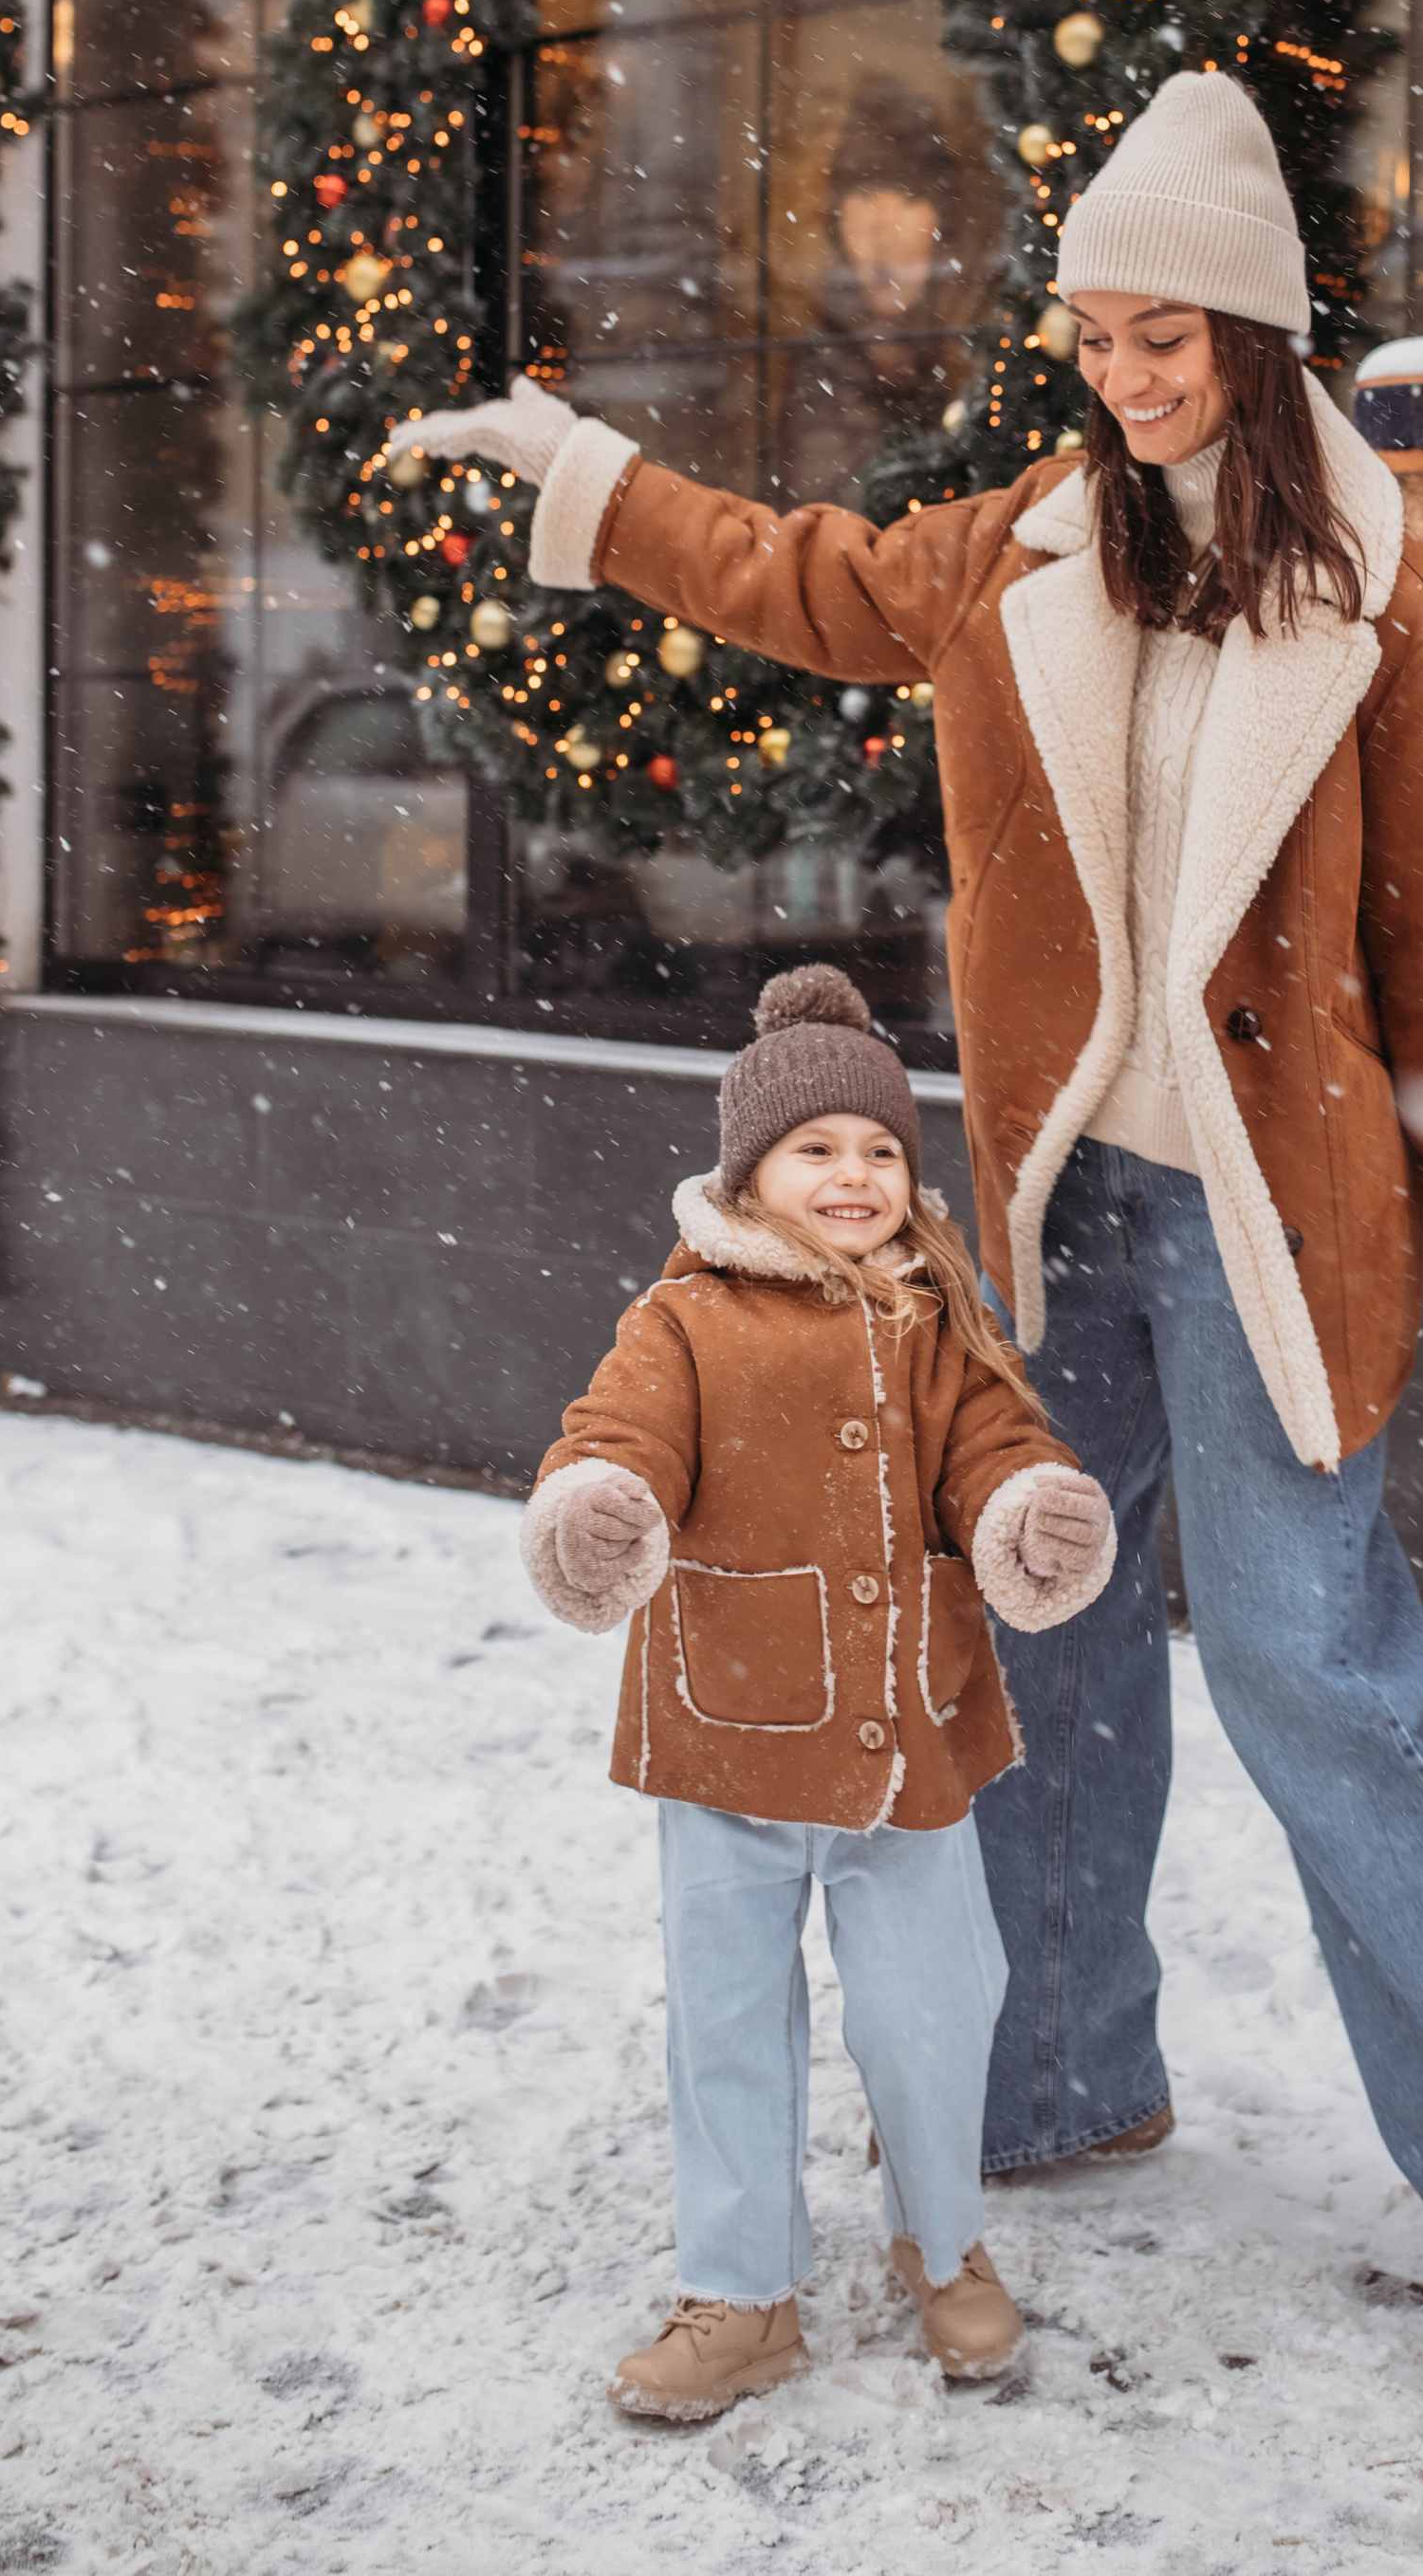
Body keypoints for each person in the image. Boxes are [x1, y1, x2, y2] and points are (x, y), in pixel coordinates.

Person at [403, 69, 1423, 2375]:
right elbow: (799, 579)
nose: (1123, 367)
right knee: (1043, 1627)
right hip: (1056, 1206)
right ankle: (1061, 2078)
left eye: (1161, 326)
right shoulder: (1026, 551)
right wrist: (578, 479)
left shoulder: (1385, 598)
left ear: (1254, 327)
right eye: (1091, 329)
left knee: (1316, 1676)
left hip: (1281, 1232)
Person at [523, 962, 1117, 2422]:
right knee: (726, 2018)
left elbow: (995, 1442)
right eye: (816, 1150)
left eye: (879, 1151)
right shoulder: (685, 1320)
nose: (852, 1175)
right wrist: (601, 1507)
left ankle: (942, 2235)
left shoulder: (943, 1317)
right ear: (752, 1172)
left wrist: (1026, 1505)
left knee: (932, 2005)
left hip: (911, 1736)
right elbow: (619, 1437)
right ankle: (742, 2292)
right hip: (727, 1732)